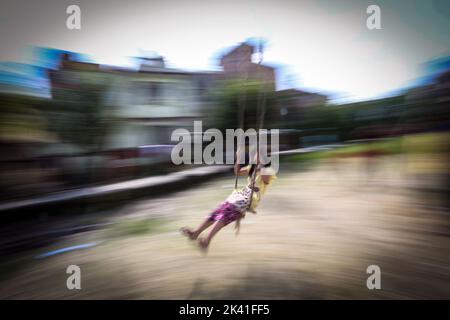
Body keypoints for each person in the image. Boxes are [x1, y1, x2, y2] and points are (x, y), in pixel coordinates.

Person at [180, 159, 276, 251]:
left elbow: (266, 180)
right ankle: (195, 233)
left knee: (226, 213)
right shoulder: (252, 167)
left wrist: (260, 167)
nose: (255, 157)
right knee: (218, 211)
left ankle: (207, 240)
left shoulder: (268, 169)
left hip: (252, 197)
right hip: (241, 194)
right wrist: (238, 161)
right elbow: (237, 172)